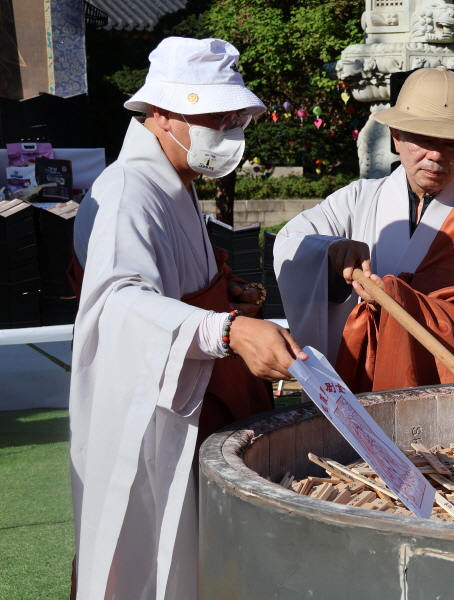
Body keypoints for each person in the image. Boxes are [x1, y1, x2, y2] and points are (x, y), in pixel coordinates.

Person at [68, 38, 305, 599]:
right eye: (213, 116)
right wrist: (226, 330)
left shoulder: (174, 186)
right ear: (162, 112)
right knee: (149, 565)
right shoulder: (129, 190)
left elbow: (185, 291)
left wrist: (230, 303)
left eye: (231, 117)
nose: (226, 131)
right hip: (145, 420)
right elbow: (119, 301)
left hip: (189, 408)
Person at [275, 66, 454, 392]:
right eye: (425, 139)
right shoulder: (358, 200)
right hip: (360, 382)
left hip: (432, 393)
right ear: (396, 137)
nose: (436, 155)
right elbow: (291, 241)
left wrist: (403, 303)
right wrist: (330, 252)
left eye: (451, 144)